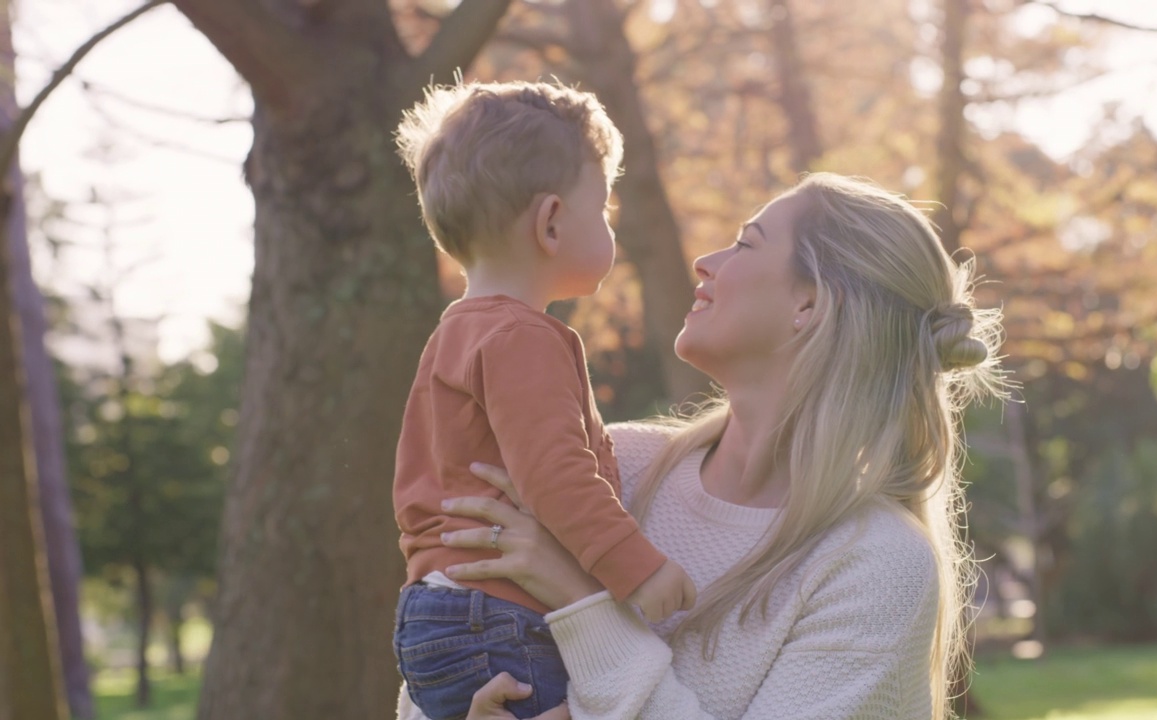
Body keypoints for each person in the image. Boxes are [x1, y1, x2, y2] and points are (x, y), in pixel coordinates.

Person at [399, 172, 1007, 720]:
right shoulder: (611, 470)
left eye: (745, 243)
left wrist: (584, 602)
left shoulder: (875, 562)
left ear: (809, 303)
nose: (704, 262)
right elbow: (446, 650)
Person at [391, 81, 697, 720]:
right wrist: (637, 570)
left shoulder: (457, 332)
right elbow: (555, 475)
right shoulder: (524, 337)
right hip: (498, 615)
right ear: (552, 222)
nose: (611, 223)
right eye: (604, 207)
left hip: (441, 609)